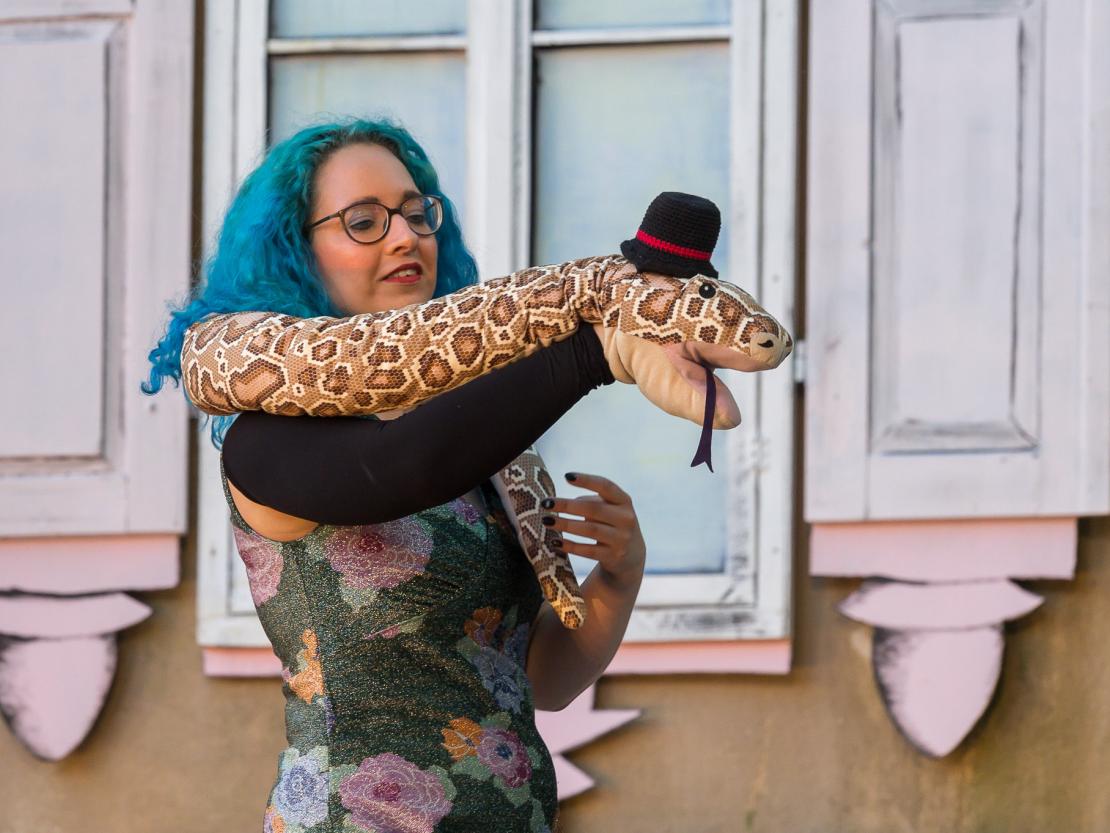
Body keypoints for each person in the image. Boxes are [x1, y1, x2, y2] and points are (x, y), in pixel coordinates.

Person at [144, 118, 646, 832]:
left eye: (417, 213)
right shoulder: (268, 440)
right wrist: (591, 354)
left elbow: (534, 678)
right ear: (297, 252)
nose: (406, 236)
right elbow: (398, 467)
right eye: (364, 221)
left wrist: (620, 577)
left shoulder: (487, 451)